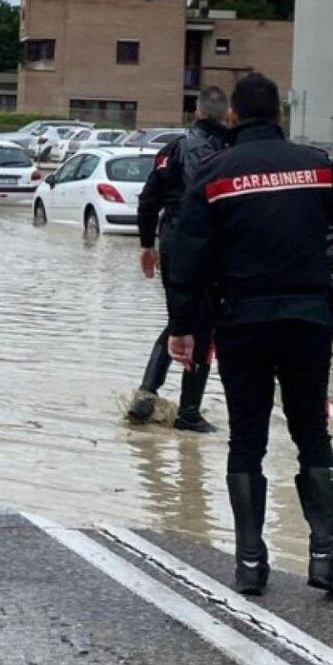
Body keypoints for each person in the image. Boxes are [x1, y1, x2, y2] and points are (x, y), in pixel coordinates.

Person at [163, 73, 333, 599]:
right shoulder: (315, 165)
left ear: (232, 117)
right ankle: (326, 558)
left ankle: (250, 564)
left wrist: (181, 327)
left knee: (246, 440)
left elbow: (186, 259)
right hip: (307, 321)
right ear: (280, 115)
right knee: (311, 433)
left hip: (242, 324)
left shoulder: (213, 175)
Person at [127, 85, 233, 431]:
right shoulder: (232, 151)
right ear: (227, 115)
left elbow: (148, 199)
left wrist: (147, 245)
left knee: (181, 316)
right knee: (205, 323)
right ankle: (188, 411)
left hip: (173, 239)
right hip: (214, 243)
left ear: (198, 112)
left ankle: (148, 393)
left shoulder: (173, 149)